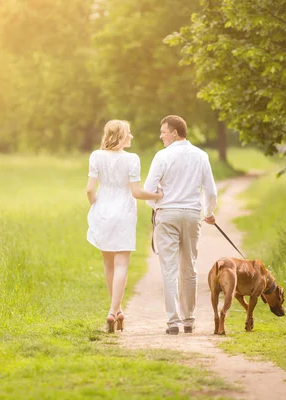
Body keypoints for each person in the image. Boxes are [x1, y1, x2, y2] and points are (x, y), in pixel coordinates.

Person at [86, 120, 164, 333]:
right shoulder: (132, 159)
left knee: (108, 266)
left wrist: (97, 206)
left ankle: (117, 309)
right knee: (122, 265)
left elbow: (89, 190)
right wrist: (157, 195)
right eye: (129, 133)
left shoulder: (95, 156)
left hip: (102, 211)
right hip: (124, 213)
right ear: (120, 136)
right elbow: (137, 193)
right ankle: (113, 311)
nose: (131, 137)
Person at [144, 115, 218, 335]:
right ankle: (189, 319)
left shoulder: (162, 156)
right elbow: (211, 191)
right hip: (193, 215)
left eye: (163, 131)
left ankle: (173, 321)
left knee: (169, 268)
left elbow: (149, 190)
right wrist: (209, 212)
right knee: (189, 267)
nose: (161, 136)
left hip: (168, 214)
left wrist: (155, 206)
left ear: (175, 133)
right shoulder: (201, 155)